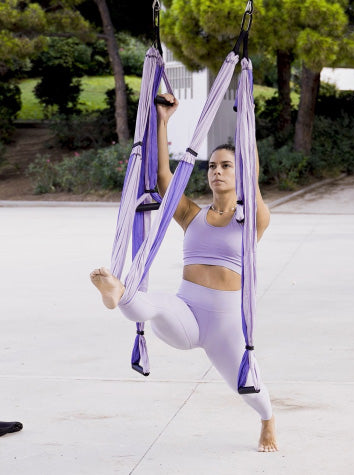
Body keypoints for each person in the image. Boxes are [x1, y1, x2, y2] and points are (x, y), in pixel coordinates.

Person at [90, 93, 278, 452]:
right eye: (212, 166)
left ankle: (267, 420)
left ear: (240, 172)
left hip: (225, 327)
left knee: (247, 388)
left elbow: (252, 177)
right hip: (186, 313)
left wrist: (246, 122)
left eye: (226, 166)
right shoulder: (192, 215)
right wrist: (163, 120)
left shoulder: (251, 218)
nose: (217, 171)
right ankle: (116, 291)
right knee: (152, 303)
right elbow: (165, 179)